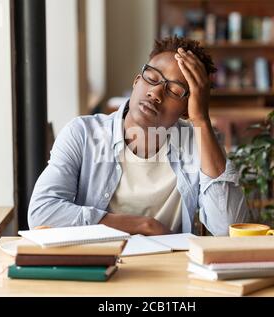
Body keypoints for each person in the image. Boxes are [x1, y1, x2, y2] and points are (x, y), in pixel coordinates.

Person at [28, 36, 249, 236]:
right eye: (152, 78)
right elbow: (42, 213)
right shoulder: (83, 134)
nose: (155, 93)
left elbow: (228, 228)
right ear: (136, 81)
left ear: (186, 108)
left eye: (174, 90)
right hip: (98, 266)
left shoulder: (198, 142)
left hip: (171, 271)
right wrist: (144, 225)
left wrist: (201, 119)